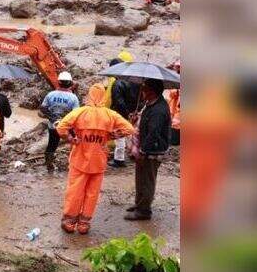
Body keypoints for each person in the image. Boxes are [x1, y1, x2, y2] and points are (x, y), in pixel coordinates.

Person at [56, 84, 136, 234]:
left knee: (75, 190)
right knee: (92, 193)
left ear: (89, 95)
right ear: (103, 96)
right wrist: (112, 135)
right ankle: (84, 224)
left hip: (80, 158)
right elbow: (130, 129)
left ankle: (69, 221)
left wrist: (71, 139)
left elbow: (61, 128)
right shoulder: (110, 114)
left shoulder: (80, 112)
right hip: (99, 160)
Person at [126, 78, 172, 220]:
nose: (142, 91)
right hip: (146, 147)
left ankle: (144, 211)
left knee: (147, 179)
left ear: (151, 91)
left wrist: (142, 150)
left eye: (145, 88)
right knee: (140, 177)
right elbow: (145, 123)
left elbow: (153, 133)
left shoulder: (159, 110)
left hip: (152, 150)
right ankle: (139, 204)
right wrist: (136, 119)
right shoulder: (150, 104)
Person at [39, 71, 80, 173]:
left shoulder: (51, 94)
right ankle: (72, 165)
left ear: (59, 82)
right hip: (68, 127)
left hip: (53, 125)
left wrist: (52, 117)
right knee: (74, 144)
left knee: (51, 145)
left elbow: (43, 109)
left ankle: (49, 167)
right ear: (70, 83)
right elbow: (76, 115)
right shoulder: (73, 98)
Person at [106, 51, 138, 167]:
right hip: (133, 112)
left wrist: (124, 113)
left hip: (120, 114)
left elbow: (118, 101)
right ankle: (133, 153)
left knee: (119, 137)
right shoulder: (134, 81)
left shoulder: (117, 84)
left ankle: (119, 160)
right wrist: (132, 112)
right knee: (131, 133)